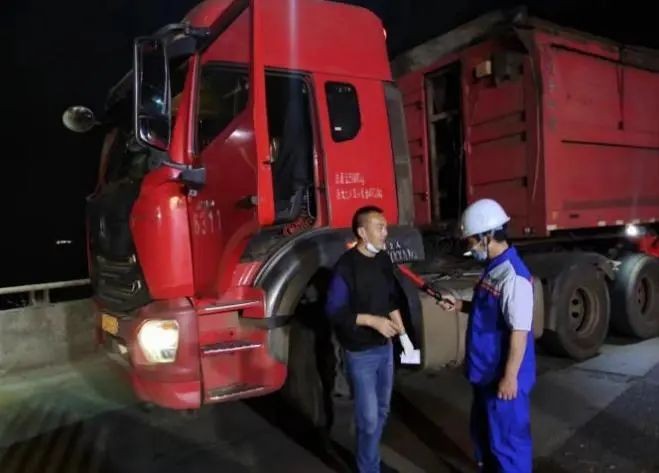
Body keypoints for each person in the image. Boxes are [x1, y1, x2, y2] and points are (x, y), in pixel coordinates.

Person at [440, 199, 536, 473]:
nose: (470, 247)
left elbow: (519, 331)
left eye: (471, 241)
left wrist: (509, 378)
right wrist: (460, 305)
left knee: (508, 445)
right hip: (486, 372)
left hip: (502, 377)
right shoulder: (495, 269)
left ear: (487, 236)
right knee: (486, 437)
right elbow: (490, 311)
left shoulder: (514, 277)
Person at [325, 206, 408, 473]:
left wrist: (403, 333)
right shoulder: (345, 267)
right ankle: (369, 468)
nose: (385, 233)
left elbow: (390, 299)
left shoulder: (383, 260)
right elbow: (334, 311)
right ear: (362, 232)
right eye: (379, 227)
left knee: (382, 411)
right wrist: (373, 321)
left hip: (385, 349)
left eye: (385, 227)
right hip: (360, 353)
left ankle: (369, 460)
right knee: (369, 419)